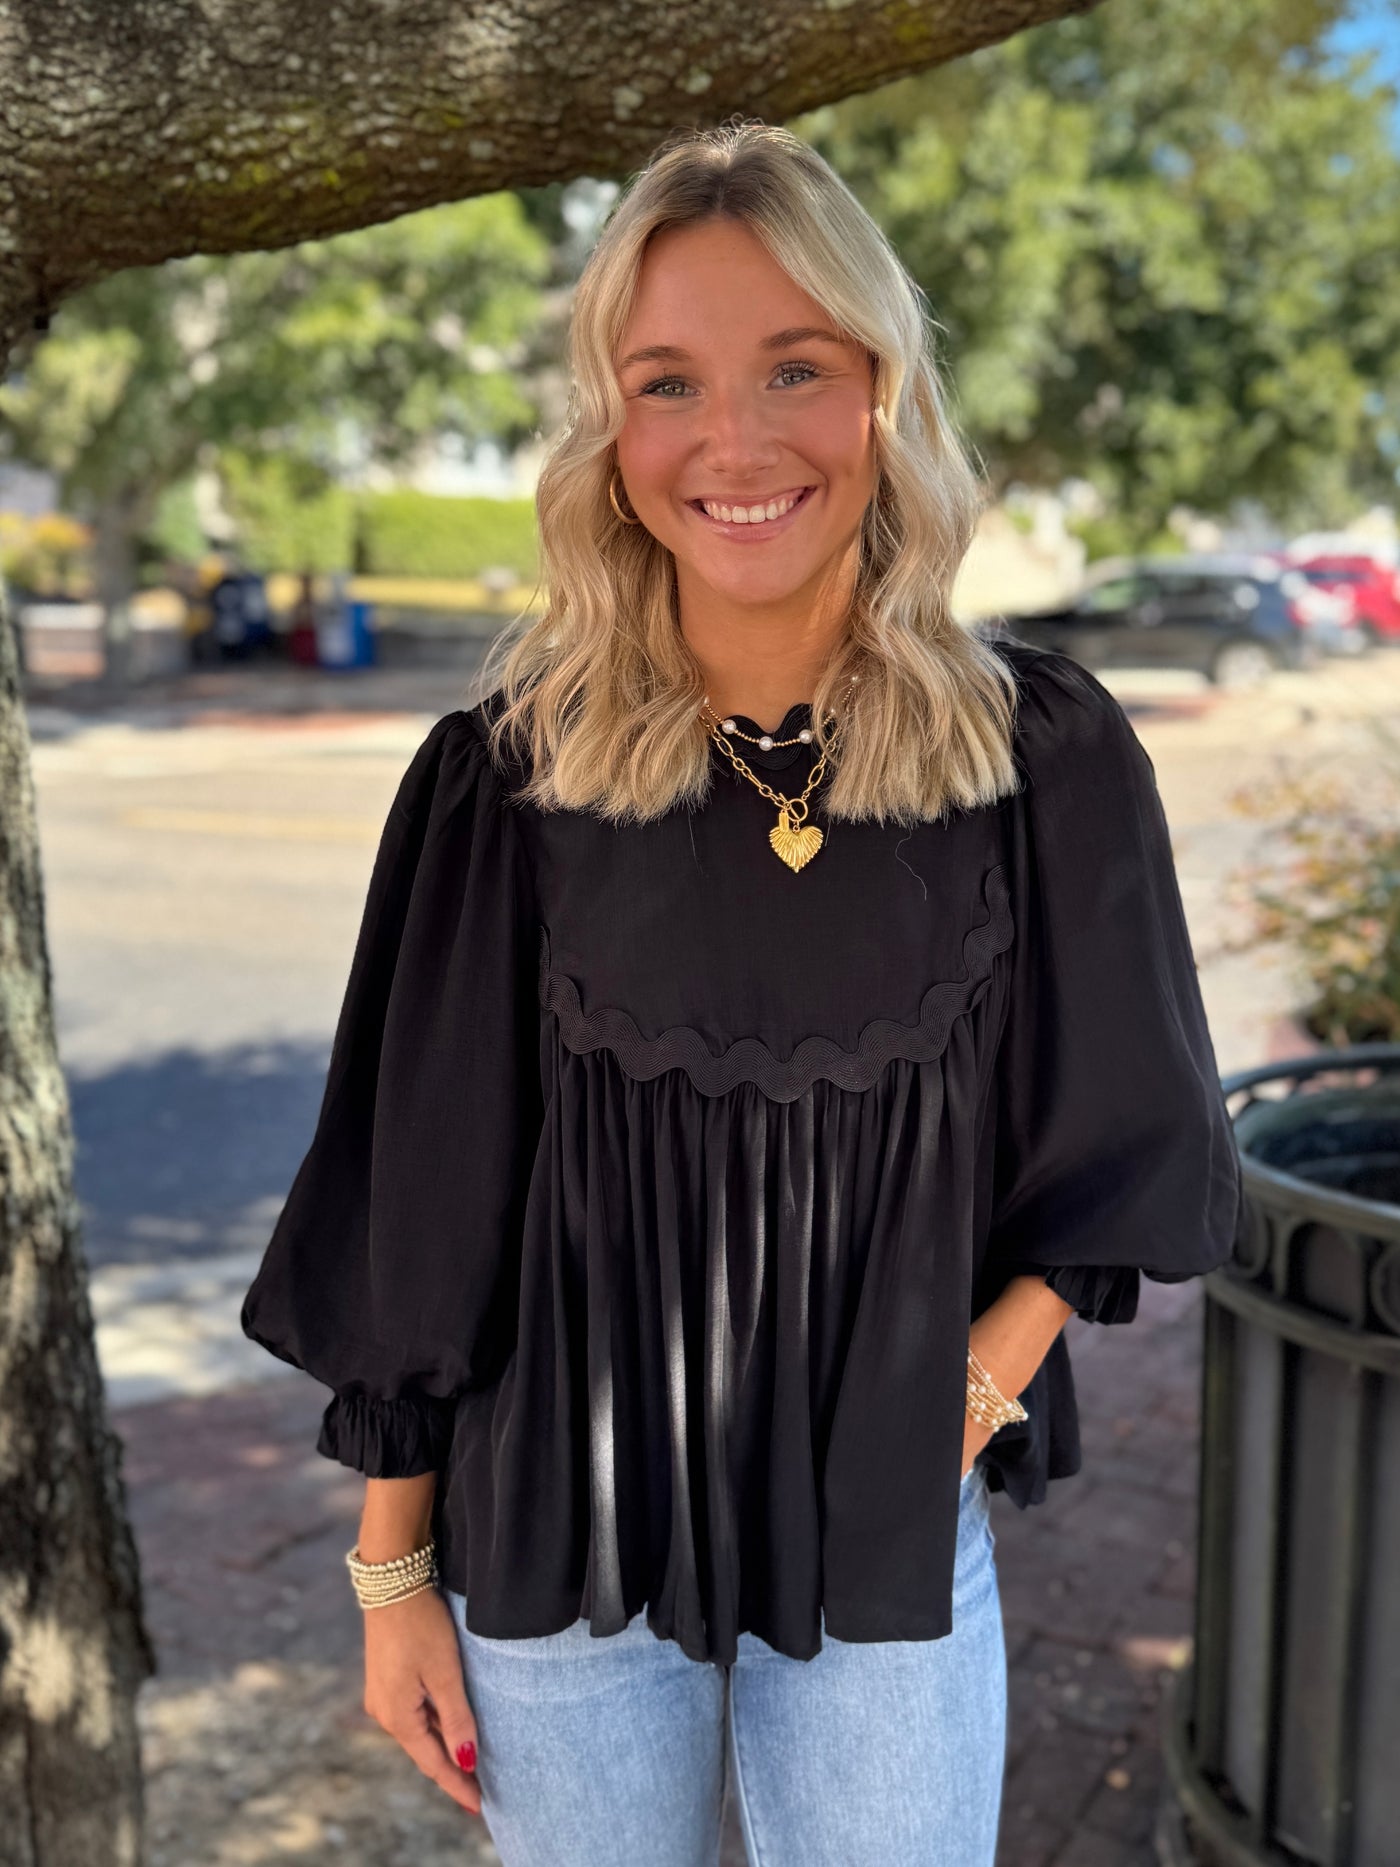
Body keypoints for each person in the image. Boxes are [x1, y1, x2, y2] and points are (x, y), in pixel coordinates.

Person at [240, 119, 1244, 1866]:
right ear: (610, 428)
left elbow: (1125, 1158)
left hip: (880, 1537)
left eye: (797, 366)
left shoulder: (1043, 758)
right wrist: (394, 1577)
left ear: (884, 393)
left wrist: (965, 1403)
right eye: (667, 383)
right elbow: (425, 1215)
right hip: (558, 1544)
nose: (735, 441)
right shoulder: (506, 781)